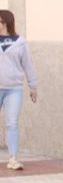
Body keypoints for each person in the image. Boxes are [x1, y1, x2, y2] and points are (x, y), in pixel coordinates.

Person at [0, 10, 38, 170]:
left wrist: (33, 86)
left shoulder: (20, 42)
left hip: (14, 89)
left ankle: (13, 158)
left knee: (12, 123)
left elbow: (28, 65)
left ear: (5, 22)